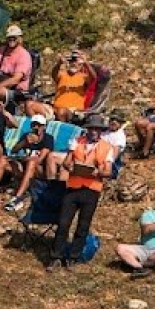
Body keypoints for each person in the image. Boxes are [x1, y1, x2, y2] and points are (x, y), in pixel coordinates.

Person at [49, 112, 114, 268]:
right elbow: (67, 162)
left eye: (97, 129)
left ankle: (73, 256)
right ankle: (56, 256)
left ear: (100, 131)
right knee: (63, 223)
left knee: (83, 226)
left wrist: (98, 172)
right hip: (73, 186)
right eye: (91, 128)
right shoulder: (77, 141)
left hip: (92, 189)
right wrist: (71, 167)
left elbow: (108, 172)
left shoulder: (107, 147)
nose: (94, 131)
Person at [116, 189, 155, 273]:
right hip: (146, 249)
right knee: (120, 248)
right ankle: (140, 267)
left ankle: (136, 264)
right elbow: (146, 230)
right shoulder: (148, 214)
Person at [46, 50, 97, 121]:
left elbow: (93, 77)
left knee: (61, 111)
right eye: (71, 61)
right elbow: (54, 74)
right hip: (55, 108)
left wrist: (85, 63)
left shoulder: (84, 77)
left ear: (81, 64)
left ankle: (62, 126)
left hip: (73, 111)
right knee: (31, 105)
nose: (73, 63)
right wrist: (59, 63)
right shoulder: (62, 74)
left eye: (76, 61)